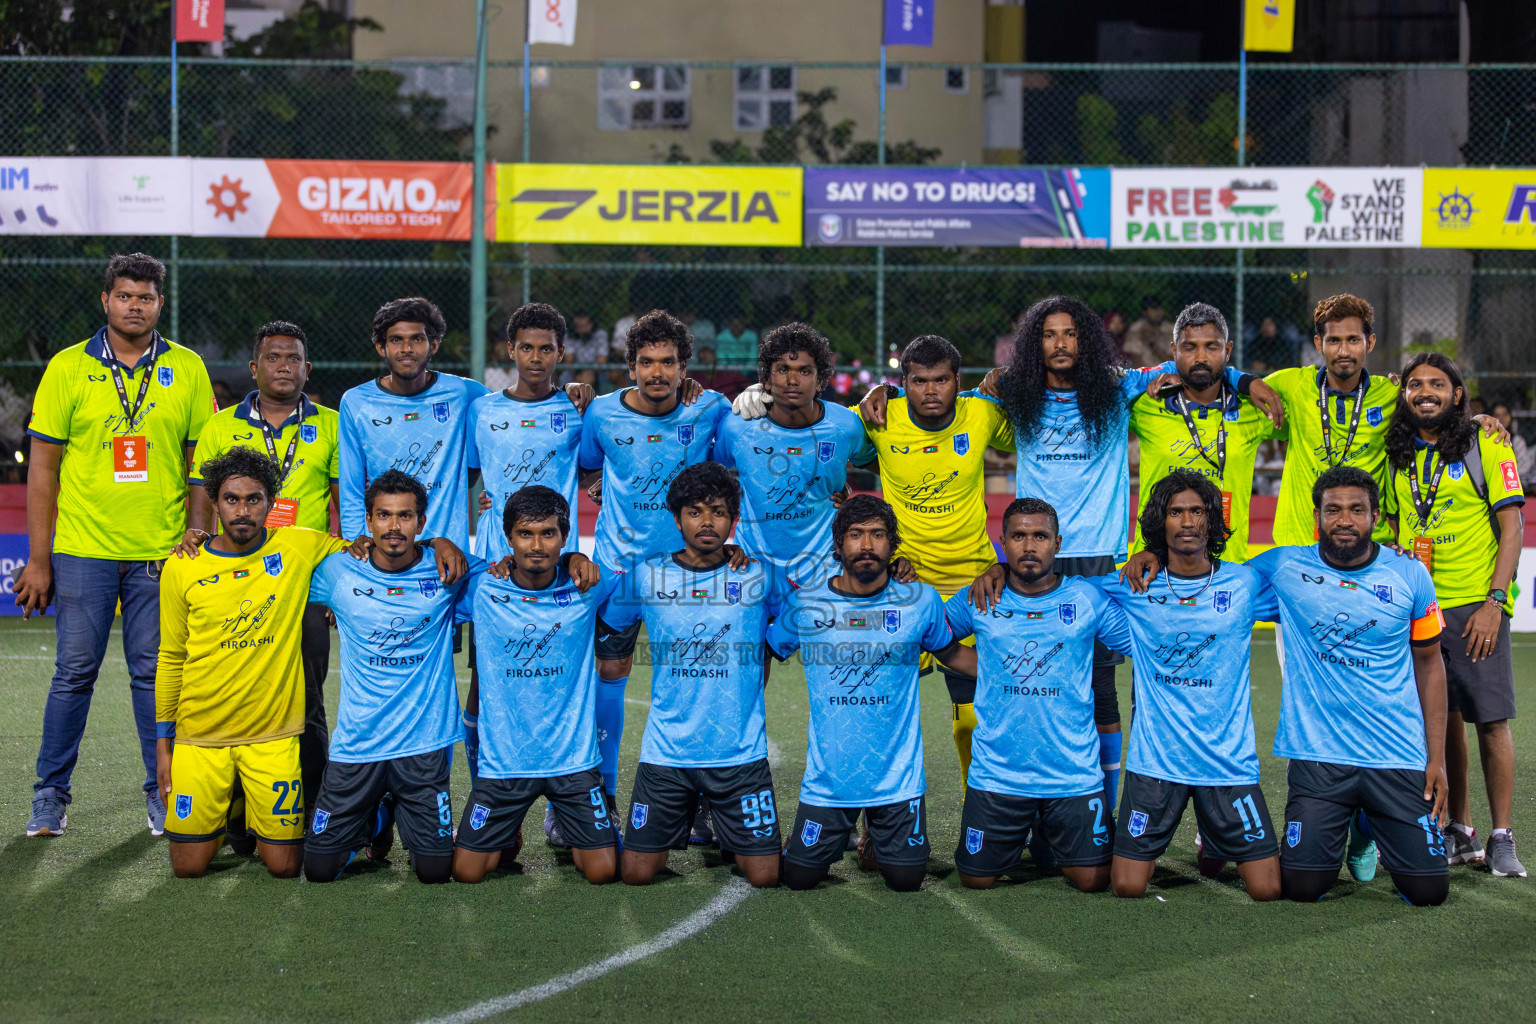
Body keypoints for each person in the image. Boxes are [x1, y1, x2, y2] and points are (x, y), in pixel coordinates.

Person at [951, 296, 1279, 815]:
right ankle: (1020, 798)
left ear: (1086, 338)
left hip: (1101, 559)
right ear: (1035, 343)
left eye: (1071, 334)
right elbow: (949, 400)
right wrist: (890, 391)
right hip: (1036, 554)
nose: (1061, 344)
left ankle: (1099, 811)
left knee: (1100, 686)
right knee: (1031, 678)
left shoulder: (1118, 386)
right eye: (1049, 335)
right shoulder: (1016, 393)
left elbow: (1187, 365)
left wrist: (1246, 381)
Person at [20, 252, 216, 838]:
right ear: (105, 300)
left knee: (155, 675)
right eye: (125, 296)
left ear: (161, 303)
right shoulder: (66, 367)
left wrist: (196, 534)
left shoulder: (187, 367)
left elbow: (199, 466)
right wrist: (37, 558)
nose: (136, 306)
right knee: (74, 672)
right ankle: (50, 797)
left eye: (147, 297)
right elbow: (43, 469)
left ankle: (163, 794)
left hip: (162, 551)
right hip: (83, 548)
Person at [1248, 466, 1451, 906]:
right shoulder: (1284, 567)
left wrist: (1437, 760)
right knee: (1301, 889)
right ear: (1316, 516)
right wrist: (1150, 554)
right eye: (1333, 510)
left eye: (1357, 510)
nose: (1344, 520)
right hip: (1320, 757)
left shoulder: (1409, 574)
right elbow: (1211, 580)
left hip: (1394, 755)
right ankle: (1355, 817)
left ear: (1376, 516)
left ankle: (1366, 825)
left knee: (1429, 892)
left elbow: (1431, 666)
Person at [155, 449, 354, 878]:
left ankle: (242, 804)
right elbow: (171, 657)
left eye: (254, 499)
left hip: (272, 737)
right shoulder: (183, 565)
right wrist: (162, 741)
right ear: (212, 501)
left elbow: (369, 549)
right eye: (231, 499)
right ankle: (234, 806)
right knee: (188, 868)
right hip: (201, 735)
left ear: (271, 501)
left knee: (283, 866)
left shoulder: (298, 546)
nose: (242, 511)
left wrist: (436, 542)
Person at [576, 309, 731, 835]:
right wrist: (599, 488)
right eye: (647, 362)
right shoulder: (599, 414)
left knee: (696, 681)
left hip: (691, 578)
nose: (657, 372)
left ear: (685, 365)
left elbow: (737, 457)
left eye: (668, 362)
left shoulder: (711, 408)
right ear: (631, 366)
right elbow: (588, 466)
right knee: (609, 676)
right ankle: (602, 795)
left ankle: (704, 802)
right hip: (618, 574)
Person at [1094, 471, 1283, 901]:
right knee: (1126, 886)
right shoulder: (1135, 585)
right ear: (1161, 522)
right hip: (1156, 761)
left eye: (1196, 510)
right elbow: (1073, 592)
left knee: (1268, 890)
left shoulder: (1243, 583)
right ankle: (1213, 837)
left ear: (1211, 520)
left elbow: (1299, 570)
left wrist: (1389, 556)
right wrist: (1002, 569)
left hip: (1227, 761)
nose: (1186, 521)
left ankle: (1217, 836)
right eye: (1175, 512)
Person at [768, 495, 973, 892]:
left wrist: (1012, 677)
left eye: (878, 535)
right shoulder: (807, 603)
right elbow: (768, 649)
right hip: (829, 781)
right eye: (856, 535)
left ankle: (875, 842)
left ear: (892, 544)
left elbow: (952, 653)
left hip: (898, 780)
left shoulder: (920, 600)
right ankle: (803, 842)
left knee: (906, 880)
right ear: (838, 544)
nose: (866, 545)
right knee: (799, 879)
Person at [601, 464, 790, 888]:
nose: (707, 522)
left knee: (764, 876)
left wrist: (774, 645)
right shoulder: (645, 575)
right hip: (667, 753)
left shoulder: (759, 575)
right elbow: (608, 625)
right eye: (695, 512)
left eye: (718, 512)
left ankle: (735, 835)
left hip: (739, 754)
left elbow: (806, 608)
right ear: (676, 518)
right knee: (635, 875)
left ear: (733, 519)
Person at [184, 320, 340, 816]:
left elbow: (345, 505)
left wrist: (340, 586)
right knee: (234, 691)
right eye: (273, 358)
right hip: (237, 583)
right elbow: (202, 500)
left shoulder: (333, 424)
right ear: (254, 368)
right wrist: (195, 537)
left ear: (307, 368)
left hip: (305, 585)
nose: (284, 367)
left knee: (309, 697)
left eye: (293, 358)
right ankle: (234, 813)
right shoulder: (219, 425)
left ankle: (314, 804)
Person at [1385, 354, 1526, 878]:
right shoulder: (1396, 454)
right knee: (1442, 723)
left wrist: (1495, 603)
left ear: (1458, 394)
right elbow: (1397, 527)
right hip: (1422, 609)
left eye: (1437, 384)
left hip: (1475, 607)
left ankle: (1502, 836)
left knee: (1491, 721)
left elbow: (1511, 529)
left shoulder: (1486, 443)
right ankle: (1460, 831)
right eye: (1416, 384)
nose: (1426, 392)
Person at [302, 470, 477, 885]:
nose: (394, 527)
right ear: (367, 519)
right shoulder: (336, 573)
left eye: (405, 516)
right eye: (383, 515)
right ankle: (378, 815)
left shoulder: (449, 572)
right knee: (318, 870)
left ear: (421, 520)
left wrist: (570, 558)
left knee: (434, 873)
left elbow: (519, 572)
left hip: (422, 745)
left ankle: (397, 807)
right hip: (358, 743)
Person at [945, 498, 1128, 893]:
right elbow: (936, 636)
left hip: (1072, 775)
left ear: (1057, 543)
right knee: (975, 880)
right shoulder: (980, 597)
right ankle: (1032, 831)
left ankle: (1047, 835)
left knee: (1093, 880)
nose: (1029, 546)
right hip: (998, 773)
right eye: (1019, 536)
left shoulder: (1086, 599)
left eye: (1040, 536)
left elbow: (1139, 643)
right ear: (1003, 542)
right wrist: (983, 666)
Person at [451, 486, 618, 885]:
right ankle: (508, 830)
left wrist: (579, 558)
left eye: (548, 533)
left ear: (565, 537)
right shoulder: (482, 586)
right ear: (508, 538)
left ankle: (566, 822)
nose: (537, 545)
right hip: (506, 764)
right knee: (467, 873)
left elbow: (647, 576)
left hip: (572, 762)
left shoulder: (589, 585)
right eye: (526, 534)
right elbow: (428, 559)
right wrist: (439, 540)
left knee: (602, 872)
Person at [713, 322, 875, 585]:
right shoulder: (737, 427)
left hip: (824, 568)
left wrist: (851, 503)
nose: (792, 380)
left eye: (804, 371)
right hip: (752, 566)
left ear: (820, 379)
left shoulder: (845, 426)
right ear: (766, 379)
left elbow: (882, 465)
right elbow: (706, 476)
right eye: (782, 369)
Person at [338, 297, 492, 553]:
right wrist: (358, 538)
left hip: (449, 553)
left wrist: (564, 391)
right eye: (396, 340)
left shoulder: (462, 392)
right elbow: (351, 486)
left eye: (417, 339)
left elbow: (516, 406)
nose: (406, 348)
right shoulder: (356, 402)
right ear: (381, 347)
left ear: (433, 345)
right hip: (387, 552)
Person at [1127, 302, 1275, 563]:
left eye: (1212, 346)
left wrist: (1244, 380)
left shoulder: (1255, 409)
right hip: (1154, 565)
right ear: (1174, 351)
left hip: (1227, 566)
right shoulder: (1145, 404)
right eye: (1190, 347)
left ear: (1227, 351)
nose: (1201, 357)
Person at [1490, 402, 1535, 483]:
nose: (1502, 418)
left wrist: (1507, 475)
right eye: (1497, 415)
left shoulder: (1516, 440)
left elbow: (1525, 465)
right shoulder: (1485, 440)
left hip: (1513, 479)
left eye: (1505, 414)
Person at [1123, 297, 1172, 368]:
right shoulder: (1136, 329)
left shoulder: (1169, 330)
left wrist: (1152, 344)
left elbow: (1172, 363)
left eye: (1160, 308)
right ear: (1145, 312)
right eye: (1154, 309)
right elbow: (1136, 361)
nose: (1158, 312)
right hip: (1145, 374)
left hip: (1166, 373)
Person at [564, 313, 609, 389]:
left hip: (597, 369)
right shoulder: (570, 335)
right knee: (565, 377)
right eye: (578, 326)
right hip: (575, 369)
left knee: (605, 380)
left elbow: (602, 360)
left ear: (591, 324)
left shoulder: (600, 334)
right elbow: (569, 361)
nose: (581, 329)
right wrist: (578, 374)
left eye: (584, 326)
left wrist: (590, 372)